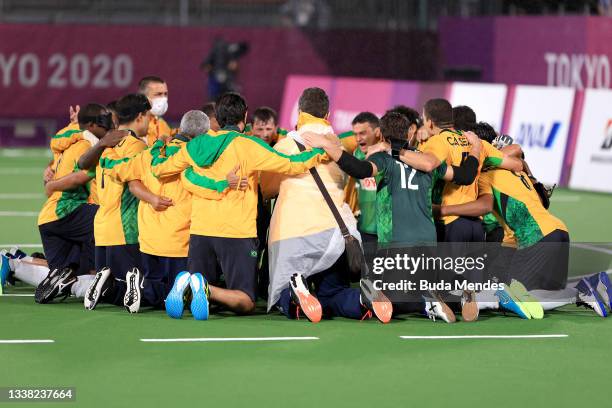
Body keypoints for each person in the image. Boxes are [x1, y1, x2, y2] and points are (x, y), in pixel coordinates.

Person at [150, 92, 327, 318]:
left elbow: (159, 169)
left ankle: (192, 285)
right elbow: (290, 164)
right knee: (245, 300)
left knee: (210, 298)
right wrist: (322, 152)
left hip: (200, 231)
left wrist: (157, 147)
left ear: (218, 118)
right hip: (236, 233)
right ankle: (202, 287)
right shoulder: (248, 145)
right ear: (245, 116)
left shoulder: (196, 145)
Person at [303, 112, 484, 323]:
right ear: (409, 133)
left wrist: (326, 145)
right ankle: (458, 291)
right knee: (408, 287)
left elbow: (359, 169)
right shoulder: (426, 159)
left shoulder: (384, 158)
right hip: (427, 237)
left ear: (380, 133)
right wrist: (476, 148)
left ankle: (428, 302)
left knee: (390, 300)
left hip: (397, 239)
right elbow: (466, 176)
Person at [260, 88, 392, 324]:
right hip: (337, 234)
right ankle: (361, 299)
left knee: (282, 292)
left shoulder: (284, 147)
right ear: (328, 114)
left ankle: (296, 291)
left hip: (295, 233)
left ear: (300, 112)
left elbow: (267, 190)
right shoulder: (338, 147)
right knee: (333, 293)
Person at [397, 98, 523, 243]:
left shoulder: (437, 142)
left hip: (448, 222)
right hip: (476, 226)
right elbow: (517, 165)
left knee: (442, 266)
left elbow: (427, 164)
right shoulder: (477, 142)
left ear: (429, 122)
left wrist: (395, 151)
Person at [83, 94, 162, 312]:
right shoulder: (135, 146)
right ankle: (108, 286)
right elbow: (136, 184)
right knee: (135, 289)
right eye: (149, 117)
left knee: (116, 289)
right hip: (124, 227)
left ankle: (102, 285)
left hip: (102, 225)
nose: (150, 122)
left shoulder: (107, 145)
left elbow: (83, 164)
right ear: (140, 116)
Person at [34, 104, 113, 303]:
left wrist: (75, 124)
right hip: (66, 211)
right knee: (110, 220)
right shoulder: (88, 147)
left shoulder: (67, 139)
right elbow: (79, 177)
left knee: (75, 273)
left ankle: (15, 264)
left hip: (49, 219)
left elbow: (54, 161)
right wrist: (52, 186)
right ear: (92, 125)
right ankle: (118, 279)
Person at [138, 76, 174, 146]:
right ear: (143, 97)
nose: (163, 98)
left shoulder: (162, 124)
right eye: (158, 94)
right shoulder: (136, 125)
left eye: (165, 94)